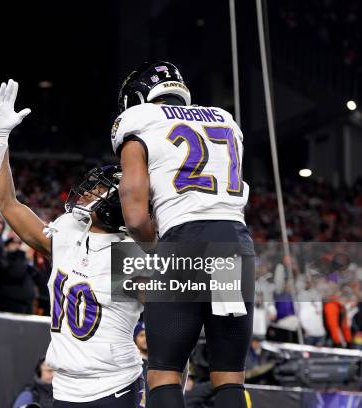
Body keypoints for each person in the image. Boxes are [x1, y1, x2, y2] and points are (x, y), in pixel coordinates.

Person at [0, 80, 143, 406]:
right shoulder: (68, 234)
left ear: (119, 205)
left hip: (113, 387)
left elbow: (216, 284)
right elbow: (8, 205)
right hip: (65, 388)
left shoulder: (127, 255)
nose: (86, 191)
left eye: (98, 190)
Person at [113, 62, 255, 408]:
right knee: (229, 375)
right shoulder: (224, 119)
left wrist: (156, 250)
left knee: (163, 372)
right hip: (234, 243)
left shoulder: (138, 122)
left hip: (183, 240)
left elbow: (133, 215)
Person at [0, 234, 37, 314]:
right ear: (7, 246)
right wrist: (20, 254)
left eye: (19, 244)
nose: (17, 246)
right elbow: (17, 274)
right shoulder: (8, 258)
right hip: (11, 300)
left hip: (26, 300)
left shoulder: (23, 259)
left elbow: (36, 274)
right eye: (14, 243)